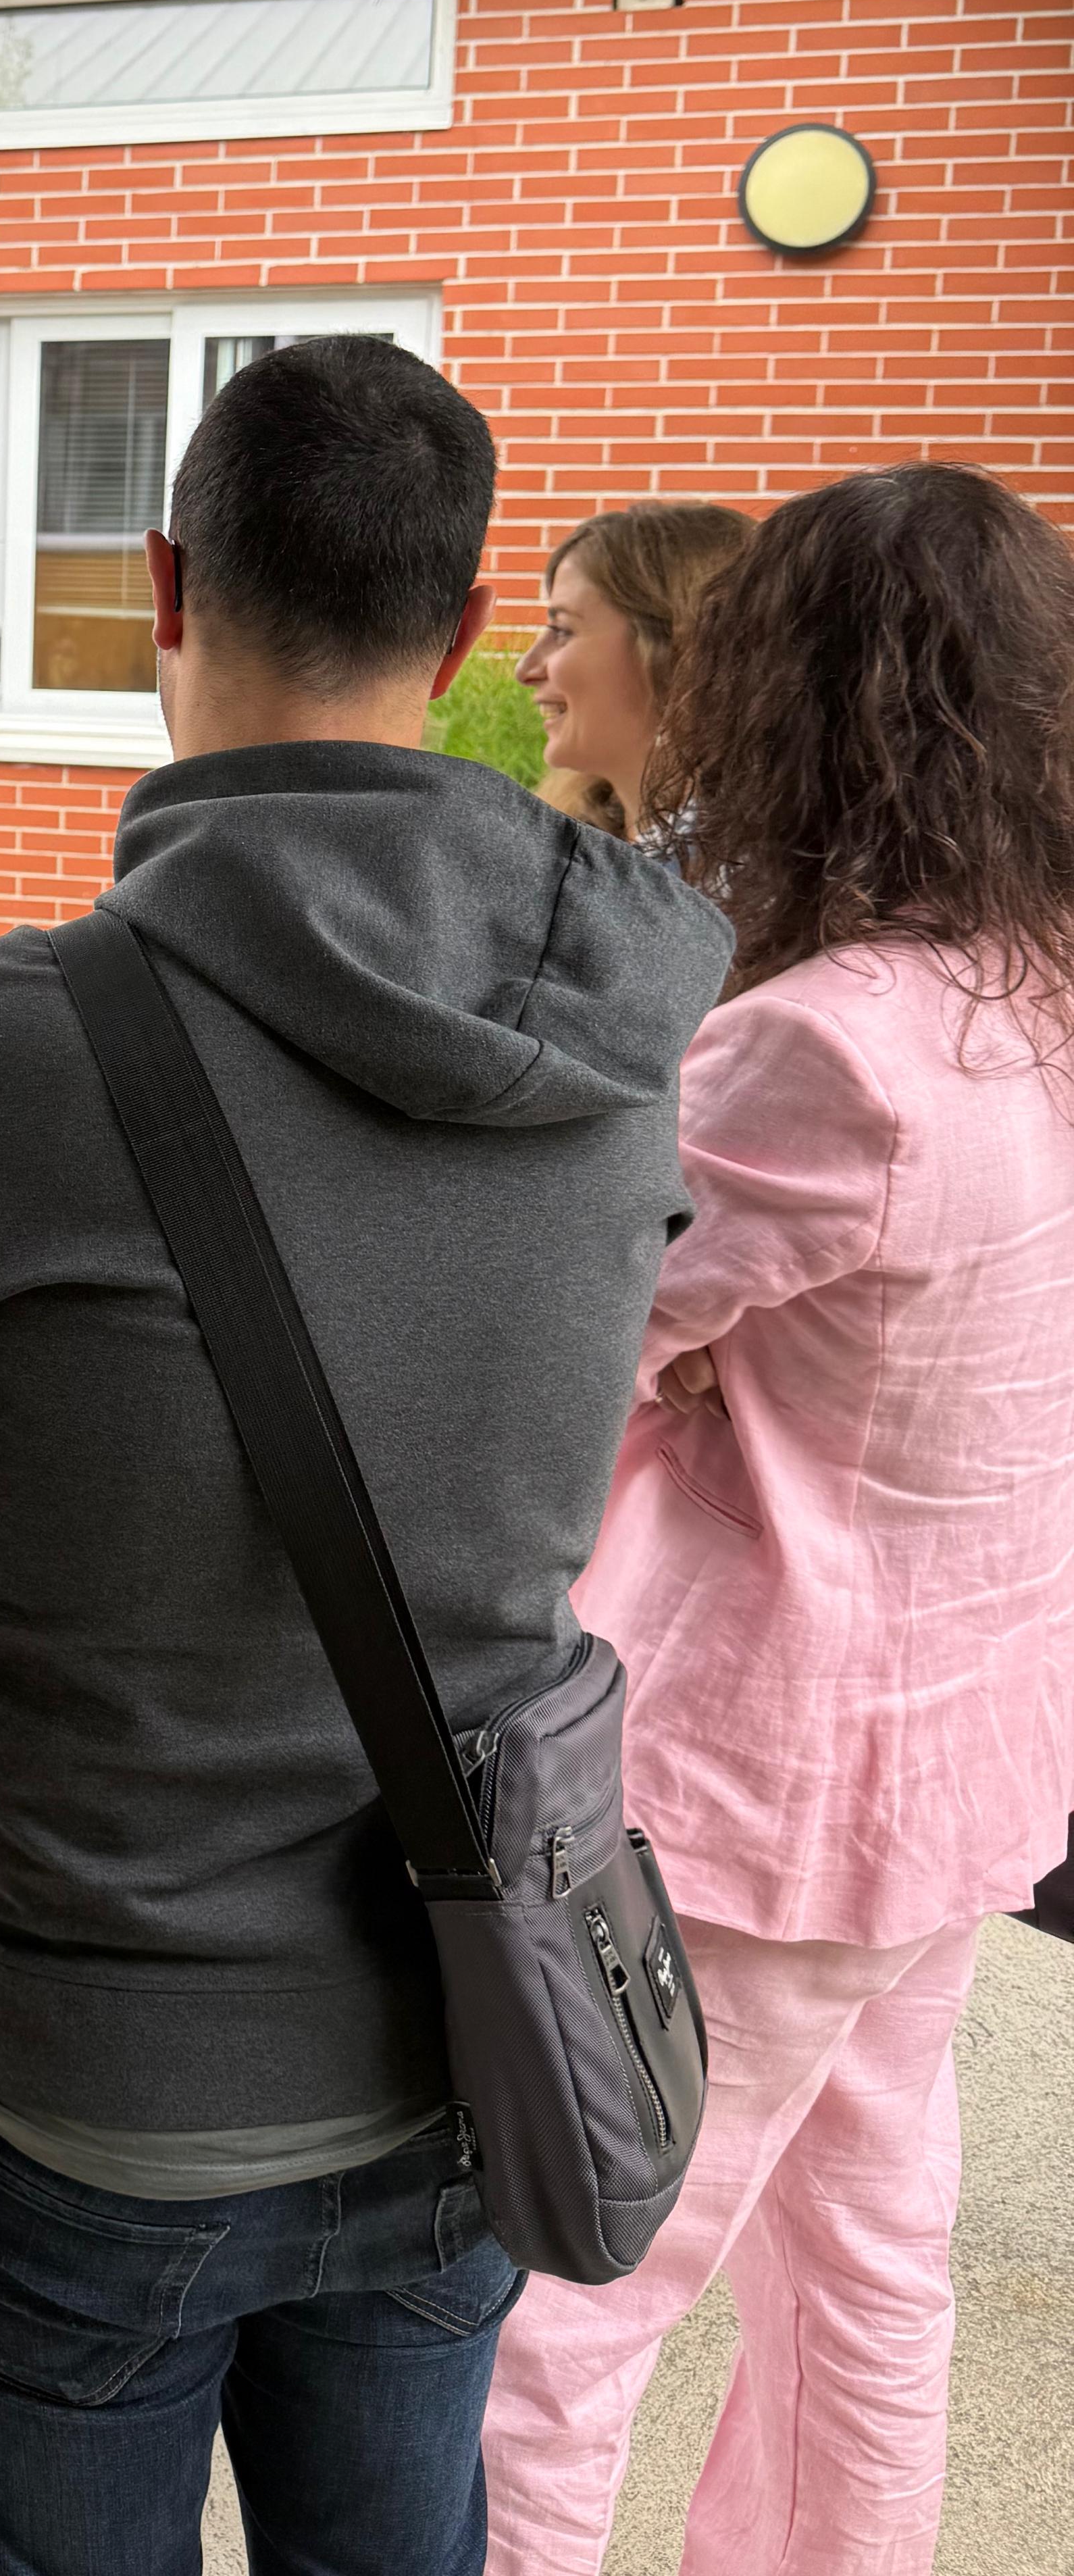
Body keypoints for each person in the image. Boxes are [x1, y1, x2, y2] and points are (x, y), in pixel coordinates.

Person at [0, 338, 732, 2576]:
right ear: (471, 627)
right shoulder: (630, 1040)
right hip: (461, 2028)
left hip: (81, 2060)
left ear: (161, 586)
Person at [482, 462, 1074, 2576]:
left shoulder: (827, 1044)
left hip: (768, 1787)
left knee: (559, 2323)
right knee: (864, 2261)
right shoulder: (1034, 986)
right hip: (958, 1760)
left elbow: (568, 1343)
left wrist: (686, 1367)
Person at [515, 498, 750, 838]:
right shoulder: (565, 840)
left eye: (563, 631)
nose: (525, 670)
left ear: (678, 651)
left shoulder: (752, 866)